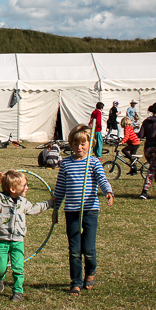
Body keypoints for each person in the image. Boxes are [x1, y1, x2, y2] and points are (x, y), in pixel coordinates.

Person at [51, 125, 114, 296]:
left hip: (90, 210)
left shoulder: (93, 162)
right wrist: (55, 207)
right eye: (75, 144)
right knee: (74, 249)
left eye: (83, 144)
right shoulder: (65, 164)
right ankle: (76, 282)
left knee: (88, 248)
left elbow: (102, 179)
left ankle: (91, 270)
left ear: (90, 144)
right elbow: (60, 188)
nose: (79, 148)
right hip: (71, 212)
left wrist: (108, 191)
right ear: (71, 145)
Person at [0, 170, 53, 302]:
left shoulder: (24, 202)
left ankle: (17, 291)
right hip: (2, 241)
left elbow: (35, 209)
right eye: (24, 185)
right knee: (0, 267)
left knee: (18, 267)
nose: (27, 187)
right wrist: (0, 180)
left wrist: (49, 203)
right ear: (12, 189)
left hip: (18, 241)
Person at [137, 103, 156, 200]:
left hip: (147, 148)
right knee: (152, 170)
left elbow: (141, 135)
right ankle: (144, 191)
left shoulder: (146, 121)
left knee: (155, 169)